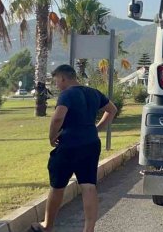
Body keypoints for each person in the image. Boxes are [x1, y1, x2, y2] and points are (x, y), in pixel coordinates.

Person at [31, 65, 117, 232]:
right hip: (91, 144)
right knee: (88, 185)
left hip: (69, 145)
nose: (56, 85)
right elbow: (111, 110)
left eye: (56, 81)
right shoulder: (93, 92)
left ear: (63, 78)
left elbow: (58, 118)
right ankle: (89, 229)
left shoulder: (67, 94)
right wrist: (97, 128)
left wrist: (51, 137)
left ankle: (47, 226)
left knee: (58, 186)